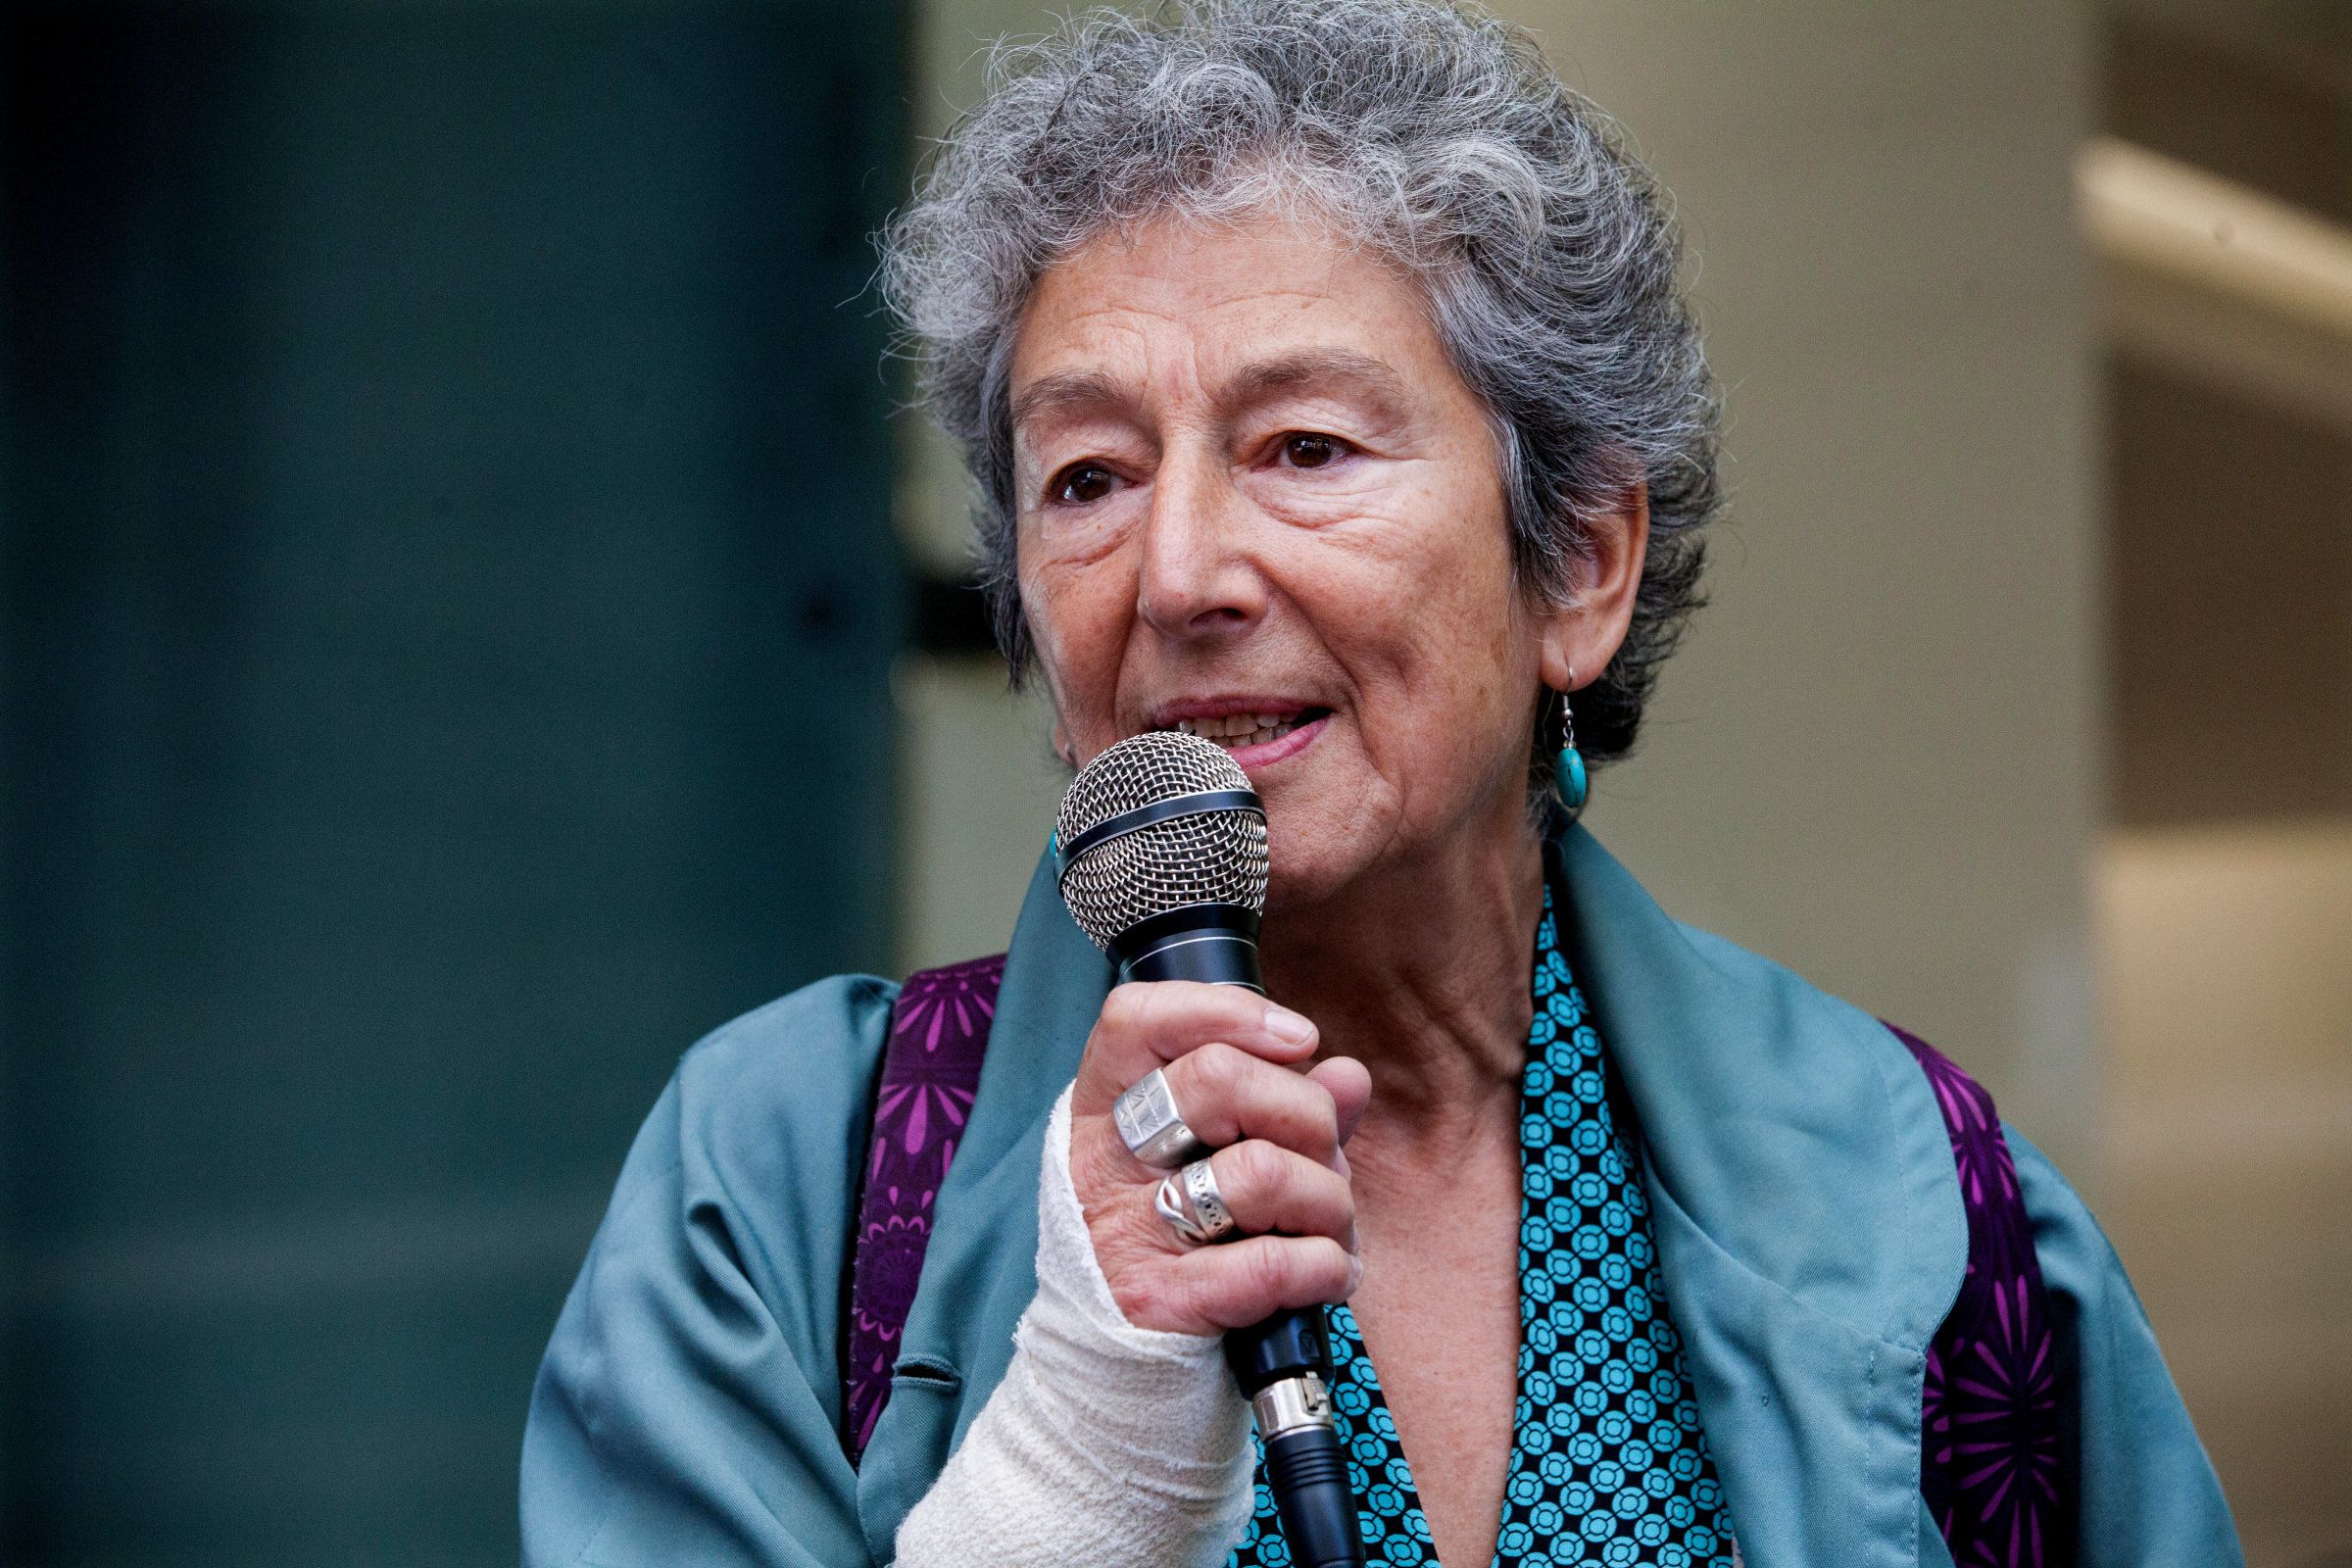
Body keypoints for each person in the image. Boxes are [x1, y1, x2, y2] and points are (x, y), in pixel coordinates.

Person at [520, 4, 2242, 1565]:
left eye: (1305, 449)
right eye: (1088, 479)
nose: (1179, 570)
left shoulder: (1933, 1210)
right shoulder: (791, 1187)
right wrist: (1082, 1450)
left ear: (1576, 563)